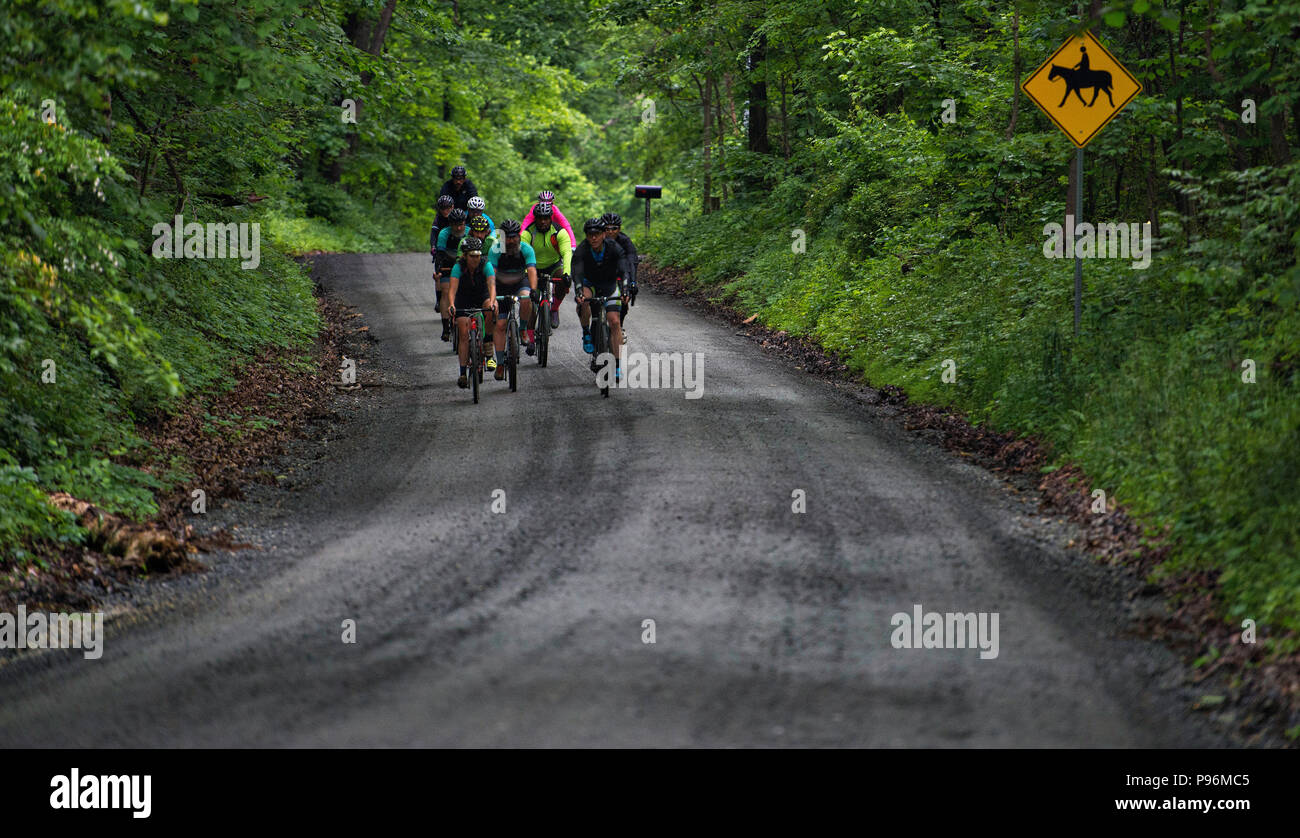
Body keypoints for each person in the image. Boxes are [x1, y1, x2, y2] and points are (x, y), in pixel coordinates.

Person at [572, 217, 626, 381]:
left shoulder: (614, 247)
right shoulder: (583, 249)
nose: (593, 237)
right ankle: (586, 332)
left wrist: (624, 287)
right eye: (590, 234)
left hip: (609, 285)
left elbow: (623, 268)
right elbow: (577, 271)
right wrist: (579, 289)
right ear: (587, 236)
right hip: (590, 284)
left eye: (597, 234)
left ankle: (616, 365)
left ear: (603, 234)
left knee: (615, 322)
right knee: (584, 300)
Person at [487, 219, 539, 373]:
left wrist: (534, 289)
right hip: (500, 285)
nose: (510, 241)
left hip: (519, 282)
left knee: (526, 297)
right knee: (501, 325)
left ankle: (522, 329)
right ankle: (501, 363)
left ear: (519, 236)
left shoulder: (526, 249)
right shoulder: (495, 250)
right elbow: (491, 276)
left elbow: (531, 271)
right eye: (507, 237)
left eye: (514, 237)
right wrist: (492, 298)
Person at [447, 236, 497, 388]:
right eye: (472, 256)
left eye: (478, 256)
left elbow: (492, 285)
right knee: (463, 333)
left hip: (481, 295)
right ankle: (462, 373)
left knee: (493, 308)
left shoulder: (485, 264)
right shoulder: (458, 266)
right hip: (463, 298)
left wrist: (493, 301)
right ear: (465, 255)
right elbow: (452, 289)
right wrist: (451, 305)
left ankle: (488, 347)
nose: (476, 259)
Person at [521, 201, 573, 331]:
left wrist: (567, 273)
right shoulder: (527, 234)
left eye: (546, 218)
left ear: (551, 218)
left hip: (553, 265)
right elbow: (522, 256)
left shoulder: (559, 232)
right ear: (535, 219)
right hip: (533, 268)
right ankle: (531, 338)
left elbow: (567, 253)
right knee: (532, 304)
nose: (543, 221)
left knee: (562, 280)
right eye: (540, 218)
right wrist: (526, 273)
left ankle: (554, 309)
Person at [601, 212, 638, 338]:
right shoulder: (596, 240)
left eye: (614, 228)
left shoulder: (625, 241)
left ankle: (619, 326)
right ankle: (594, 325)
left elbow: (632, 262)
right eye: (607, 229)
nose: (610, 232)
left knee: (625, 295)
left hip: (620, 273)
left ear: (619, 229)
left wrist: (633, 282)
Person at [435, 208, 469, 340]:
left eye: (461, 224)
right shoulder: (444, 234)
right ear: (450, 224)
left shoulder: (468, 232)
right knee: (445, 291)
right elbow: (440, 255)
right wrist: (438, 269)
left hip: (463, 264)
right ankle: (445, 327)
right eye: (455, 224)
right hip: (448, 264)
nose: (459, 227)